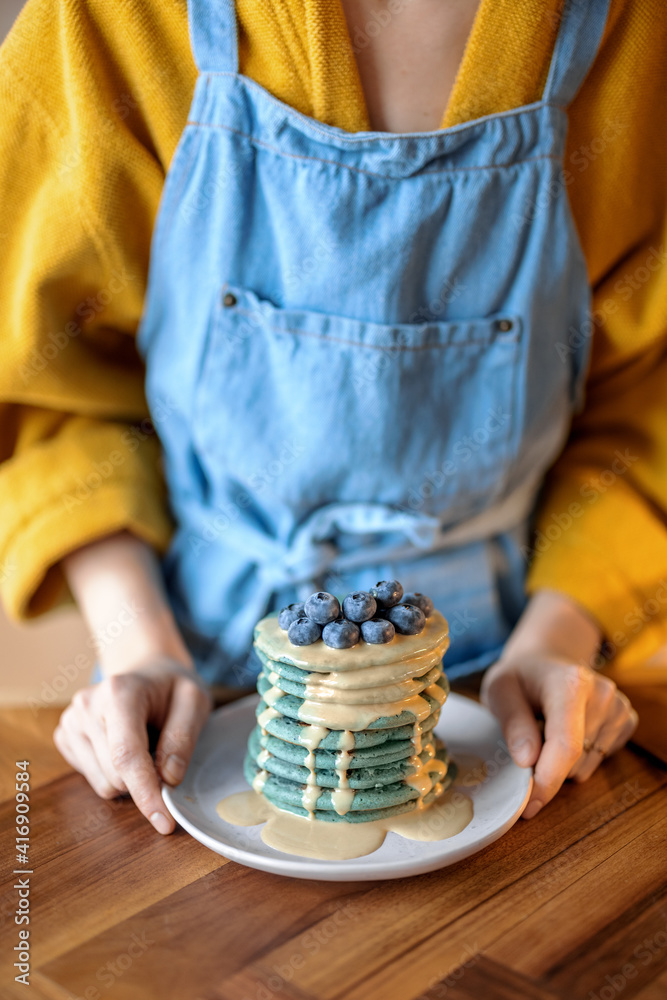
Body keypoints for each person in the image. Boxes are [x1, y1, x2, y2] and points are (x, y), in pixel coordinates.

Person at [1, 0, 664, 837]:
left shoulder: (634, 31)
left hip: (516, 708)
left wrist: (558, 641)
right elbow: (52, 403)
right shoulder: (112, 19)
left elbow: (643, 413)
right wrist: (141, 651)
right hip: (177, 693)